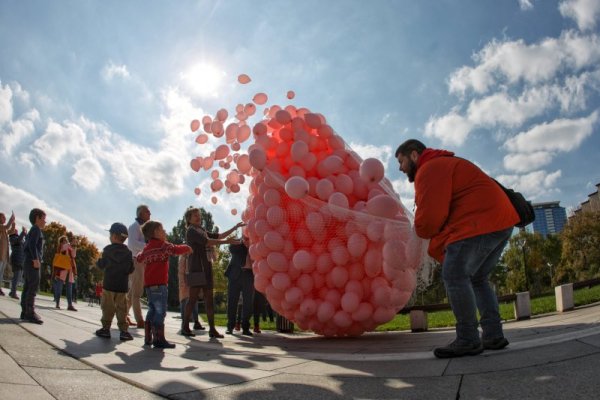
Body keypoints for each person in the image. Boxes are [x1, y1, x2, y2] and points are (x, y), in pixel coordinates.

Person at [395, 139, 519, 358]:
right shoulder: (445, 162)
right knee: (478, 278)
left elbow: (431, 219)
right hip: (501, 221)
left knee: (453, 275)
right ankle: (493, 334)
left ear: (414, 155)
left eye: (401, 161)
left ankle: (468, 338)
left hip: (477, 223)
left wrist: (420, 229)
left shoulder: (430, 169)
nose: (400, 168)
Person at [181, 207, 243, 338]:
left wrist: (235, 227)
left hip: (207, 268)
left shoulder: (202, 230)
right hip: (197, 268)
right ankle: (185, 326)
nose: (198, 217)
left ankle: (212, 330)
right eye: (194, 215)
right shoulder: (191, 231)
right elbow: (208, 242)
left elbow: (219, 236)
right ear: (189, 219)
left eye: (199, 214)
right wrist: (227, 242)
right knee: (192, 299)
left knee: (209, 300)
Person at [136, 220, 191, 348]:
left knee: (152, 309)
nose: (165, 231)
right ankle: (159, 339)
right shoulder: (163, 246)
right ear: (156, 232)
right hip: (160, 285)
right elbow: (175, 250)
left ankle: (148, 337)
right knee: (160, 311)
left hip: (149, 285)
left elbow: (139, 257)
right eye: (162, 229)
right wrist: (187, 247)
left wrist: (140, 255)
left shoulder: (147, 248)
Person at [95, 223, 135, 341]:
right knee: (122, 308)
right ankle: (123, 331)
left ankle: (106, 329)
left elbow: (102, 265)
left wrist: (98, 261)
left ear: (114, 236)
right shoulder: (128, 253)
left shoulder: (107, 250)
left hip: (109, 285)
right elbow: (130, 269)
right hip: (122, 286)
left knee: (107, 307)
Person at [20, 208, 46, 324]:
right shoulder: (36, 230)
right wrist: (36, 259)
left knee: (27, 286)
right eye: (44, 219)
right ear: (37, 218)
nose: (45, 222)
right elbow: (32, 245)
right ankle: (30, 312)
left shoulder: (33, 230)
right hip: (32, 262)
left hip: (27, 261)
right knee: (33, 287)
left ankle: (25, 311)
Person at [127, 204, 151, 328]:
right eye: (148, 212)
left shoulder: (142, 227)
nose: (150, 214)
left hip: (140, 261)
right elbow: (132, 244)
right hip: (136, 260)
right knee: (137, 292)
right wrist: (148, 246)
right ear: (141, 214)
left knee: (132, 293)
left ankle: (124, 315)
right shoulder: (134, 227)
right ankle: (140, 320)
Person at [225, 235, 255, 336]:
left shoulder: (256, 245)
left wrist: (250, 245)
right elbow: (231, 248)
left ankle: (245, 327)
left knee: (248, 303)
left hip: (249, 275)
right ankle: (230, 326)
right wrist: (242, 241)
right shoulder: (238, 243)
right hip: (235, 275)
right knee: (232, 301)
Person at [177, 254, 205, 335]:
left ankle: (196, 322)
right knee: (184, 299)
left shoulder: (198, 251)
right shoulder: (184, 254)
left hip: (193, 275)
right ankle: (184, 325)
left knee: (194, 298)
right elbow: (181, 270)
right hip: (185, 276)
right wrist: (182, 282)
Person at [52, 236, 78, 311]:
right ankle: (57, 303)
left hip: (69, 270)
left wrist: (74, 247)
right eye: (64, 240)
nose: (65, 241)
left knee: (69, 288)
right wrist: (70, 243)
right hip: (62, 269)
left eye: (66, 240)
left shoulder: (70, 247)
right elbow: (64, 248)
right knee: (59, 288)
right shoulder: (62, 246)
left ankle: (70, 305)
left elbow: (73, 255)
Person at [8, 226, 27, 299]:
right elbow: (18, 241)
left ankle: (12, 291)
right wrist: (23, 232)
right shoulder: (12, 238)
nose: (16, 230)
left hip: (21, 260)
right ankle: (13, 293)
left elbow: (25, 245)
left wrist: (25, 235)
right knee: (16, 277)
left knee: (18, 277)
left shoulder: (19, 238)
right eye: (14, 230)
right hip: (16, 260)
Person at [0, 211, 16, 295]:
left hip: (4, 255)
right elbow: (6, 227)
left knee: (1, 272)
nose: (5, 219)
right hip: (0, 254)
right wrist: (11, 219)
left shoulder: (4, 230)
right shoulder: (1, 227)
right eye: (3, 217)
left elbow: (11, 232)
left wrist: (13, 224)